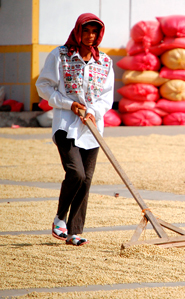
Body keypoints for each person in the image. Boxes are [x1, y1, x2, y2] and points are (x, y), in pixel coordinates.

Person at [36, 13, 114, 246]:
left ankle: (74, 232)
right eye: (86, 31)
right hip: (65, 124)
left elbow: (106, 96)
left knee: (87, 180)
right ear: (77, 31)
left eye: (94, 32)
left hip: (92, 128)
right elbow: (44, 86)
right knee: (76, 173)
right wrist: (70, 104)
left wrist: (93, 112)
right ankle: (60, 218)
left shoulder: (105, 61)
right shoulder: (60, 55)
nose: (90, 36)